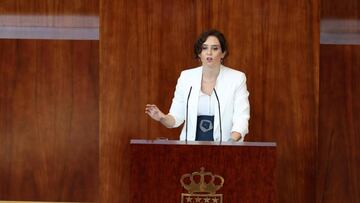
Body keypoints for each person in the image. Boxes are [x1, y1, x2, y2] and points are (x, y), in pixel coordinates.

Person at [145, 29, 250, 142]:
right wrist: (162, 117)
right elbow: (175, 119)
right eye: (204, 48)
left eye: (215, 48)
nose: (209, 53)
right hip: (191, 149)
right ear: (199, 53)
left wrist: (229, 144)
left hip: (225, 147)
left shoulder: (236, 78)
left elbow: (241, 119)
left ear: (223, 53)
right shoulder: (186, 77)